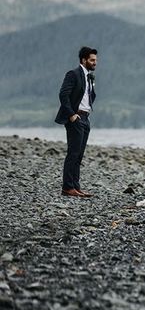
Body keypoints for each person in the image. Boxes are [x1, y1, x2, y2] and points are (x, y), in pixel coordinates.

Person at [54, 46, 97, 197]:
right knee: (73, 153)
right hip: (75, 118)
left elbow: (89, 97)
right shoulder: (73, 74)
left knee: (79, 155)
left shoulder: (89, 76)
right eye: (92, 60)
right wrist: (71, 114)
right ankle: (67, 187)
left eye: (95, 60)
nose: (95, 63)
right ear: (84, 60)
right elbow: (63, 95)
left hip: (85, 118)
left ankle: (76, 187)